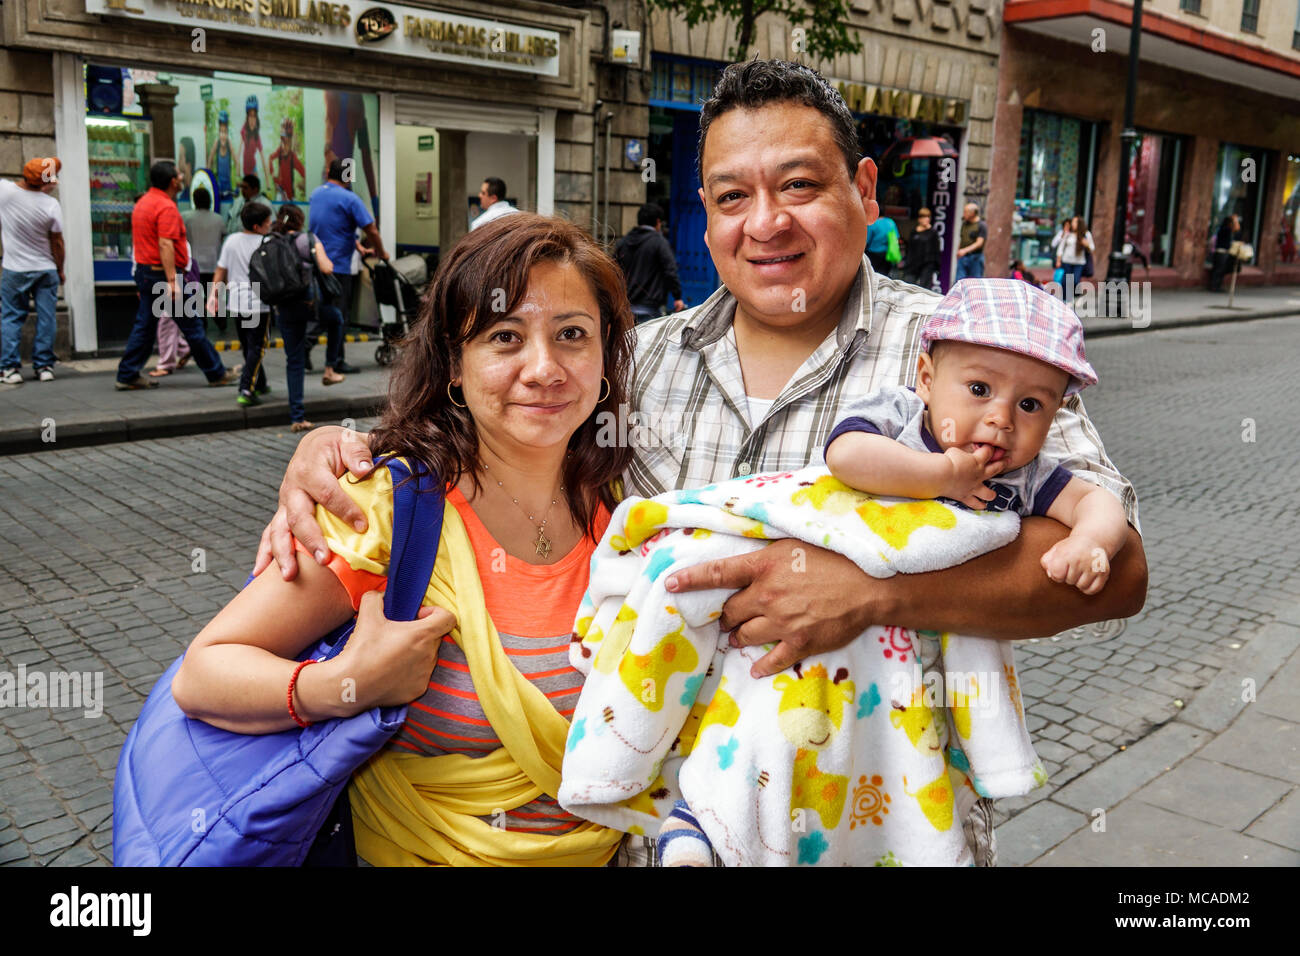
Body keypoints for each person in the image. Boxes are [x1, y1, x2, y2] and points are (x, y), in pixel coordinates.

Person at [257, 59, 1148, 866]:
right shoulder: (639, 359)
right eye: (730, 197)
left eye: (799, 185)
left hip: (873, 826)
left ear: (864, 187)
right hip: (668, 834)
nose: (765, 224)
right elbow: (496, 437)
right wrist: (345, 453)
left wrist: (879, 591)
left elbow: (1120, 573)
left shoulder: (963, 352)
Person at [170, 213, 634, 866]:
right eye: (505, 337)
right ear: (454, 361)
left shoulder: (624, 510)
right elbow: (203, 674)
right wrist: (342, 682)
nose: (544, 368)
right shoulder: (387, 510)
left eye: (572, 335)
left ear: (605, 355)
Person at [114, 160, 237, 391]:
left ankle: (127, 373)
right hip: (163, 276)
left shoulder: (144, 203)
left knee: (146, 326)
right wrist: (172, 280)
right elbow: (165, 244)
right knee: (192, 327)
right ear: (173, 181)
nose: (182, 177)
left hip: (147, 272)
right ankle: (216, 372)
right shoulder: (166, 207)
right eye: (180, 175)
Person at [307, 158, 389, 377]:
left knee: (324, 309)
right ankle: (332, 358)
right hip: (338, 266)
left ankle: (313, 347)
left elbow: (332, 226)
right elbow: (371, 229)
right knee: (339, 314)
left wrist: (357, 246)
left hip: (318, 262)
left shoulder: (316, 194)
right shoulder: (350, 199)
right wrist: (381, 251)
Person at [270, 203, 336, 430]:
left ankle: (297, 417)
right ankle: (330, 367)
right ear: (299, 220)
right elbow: (326, 268)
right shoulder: (308, 238)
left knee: (294, 361)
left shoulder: (272, 240)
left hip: (284, 306)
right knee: (336, 318)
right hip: (308, 303)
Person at [0, 156, 64, 384]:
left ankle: (9, 369)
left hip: (14, 269)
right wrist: (61, 269)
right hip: (45, 268)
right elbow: (57, 243)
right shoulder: (50, 205)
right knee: (47, 318)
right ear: (46, 182)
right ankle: (44, 366)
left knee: (11, 317)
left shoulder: (5, 192)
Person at [210, 202, 274, 407]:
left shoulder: (232, 240)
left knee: (249, 345)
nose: (270, 224)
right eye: (267, 221)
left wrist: (213, 296)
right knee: (258, 346)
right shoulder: (267, 242)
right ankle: (246, 388)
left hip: (237, 302)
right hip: (257, 302)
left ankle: (260, 382)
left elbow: (220, 271)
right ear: (257, 226)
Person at [614, 203, 685, 322]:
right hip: (650, 308)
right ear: (658, 222)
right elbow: (670, 271)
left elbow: (613, 271)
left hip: (626, 309)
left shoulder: (623, 242)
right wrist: (677, 297)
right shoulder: (659, 243)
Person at [182, 186, 226, 335]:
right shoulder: (218, 219)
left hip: (194, 265)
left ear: (194, 200)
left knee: (196, 296)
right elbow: (222, 238)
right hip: (213, 263)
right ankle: (221, 322)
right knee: (214, 295)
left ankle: (202, 323)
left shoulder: (186, 217)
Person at [902, 207, 941, 291]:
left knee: (924, 289)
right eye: (924, 217)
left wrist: (937, 266)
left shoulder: (933, 232)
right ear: (919, 219)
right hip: (913, 264)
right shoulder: (914, 232)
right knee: (908, 287)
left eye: (928, 217)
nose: (927, 219)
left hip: (927, 264)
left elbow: (936, 250)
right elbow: (909, 249)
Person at [269, 118, 305, 201]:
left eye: (287, 139)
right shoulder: (279, 152)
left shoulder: (292, 157)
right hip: (280, 193)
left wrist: (299, 184)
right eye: (282, 139)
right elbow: (270, 158)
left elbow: (304, 173)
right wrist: (274, 178)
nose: (284, 143)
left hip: (290, 197)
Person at [1058, 215, 1094, 298]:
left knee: (1075, 281)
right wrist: (1058, 260)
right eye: (1072, 222)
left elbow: (1092, 248)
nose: (1072, 224)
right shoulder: (1068, 234)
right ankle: (1065, 299)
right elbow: (1061, 247)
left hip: (1079, 262)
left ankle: (1073, 296)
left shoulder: (1086, 234)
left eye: (1074, 222)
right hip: (1067, 261)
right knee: (1065, 281)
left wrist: (1086, 245)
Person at [1209, 214, 1242, 293]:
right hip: (1221, 252)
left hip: (1222, 252)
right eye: (1232, 222)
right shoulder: (1225, 229)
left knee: (1220, 270)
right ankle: (1215, 286)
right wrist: (1235, 221)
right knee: (1219, 270)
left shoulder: (1223, 229)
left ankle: (1217, 286)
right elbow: (1237, 229)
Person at [207, 110, 235, 201]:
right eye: (221, 132)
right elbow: (210, 157)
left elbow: (235, 158)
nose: (223, 135)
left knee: (229, 201)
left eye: (225, 132)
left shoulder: (229, 143)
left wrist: (237, 173)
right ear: (219, 133)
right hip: (219, 183)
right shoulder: (217, 143)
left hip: (228, 183)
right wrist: (208, 173)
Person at [954, 203, 987, 281]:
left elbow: (979, 243)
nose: (964, 214)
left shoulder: (981, 225)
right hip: (963, 257)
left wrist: (965, 250)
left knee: (975, 281)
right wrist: (959, 251)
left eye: (965, 212)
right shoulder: (965, 224)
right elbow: (962, 239)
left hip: (975, 258)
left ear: (972, 213)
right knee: (959, 281)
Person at [240, 94, 268, 184]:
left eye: (254, 116)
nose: (252, 119)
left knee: (256, 188)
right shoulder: (244, 130)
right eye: (250, 116)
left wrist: (267, 182)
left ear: (257, 118)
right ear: (247, 117)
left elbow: (263, 158)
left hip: (253, 168)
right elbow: (239, 150)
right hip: (245, 169)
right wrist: (237, 172)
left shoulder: (257, 136)